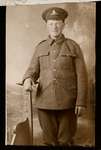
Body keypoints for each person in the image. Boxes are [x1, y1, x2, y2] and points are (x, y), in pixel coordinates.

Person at [22, 7, 88, 146]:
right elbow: (32, 69)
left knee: (65, 141)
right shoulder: (40, 47)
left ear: (63, 24)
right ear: (47, 25)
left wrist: (81, 102)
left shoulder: (73, 46)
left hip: (68, 103)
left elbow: (82, 76)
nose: (54, 27)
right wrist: (28, 79)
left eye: (58, 23)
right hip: (44, 102)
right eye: (51, 23)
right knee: (49, 142)